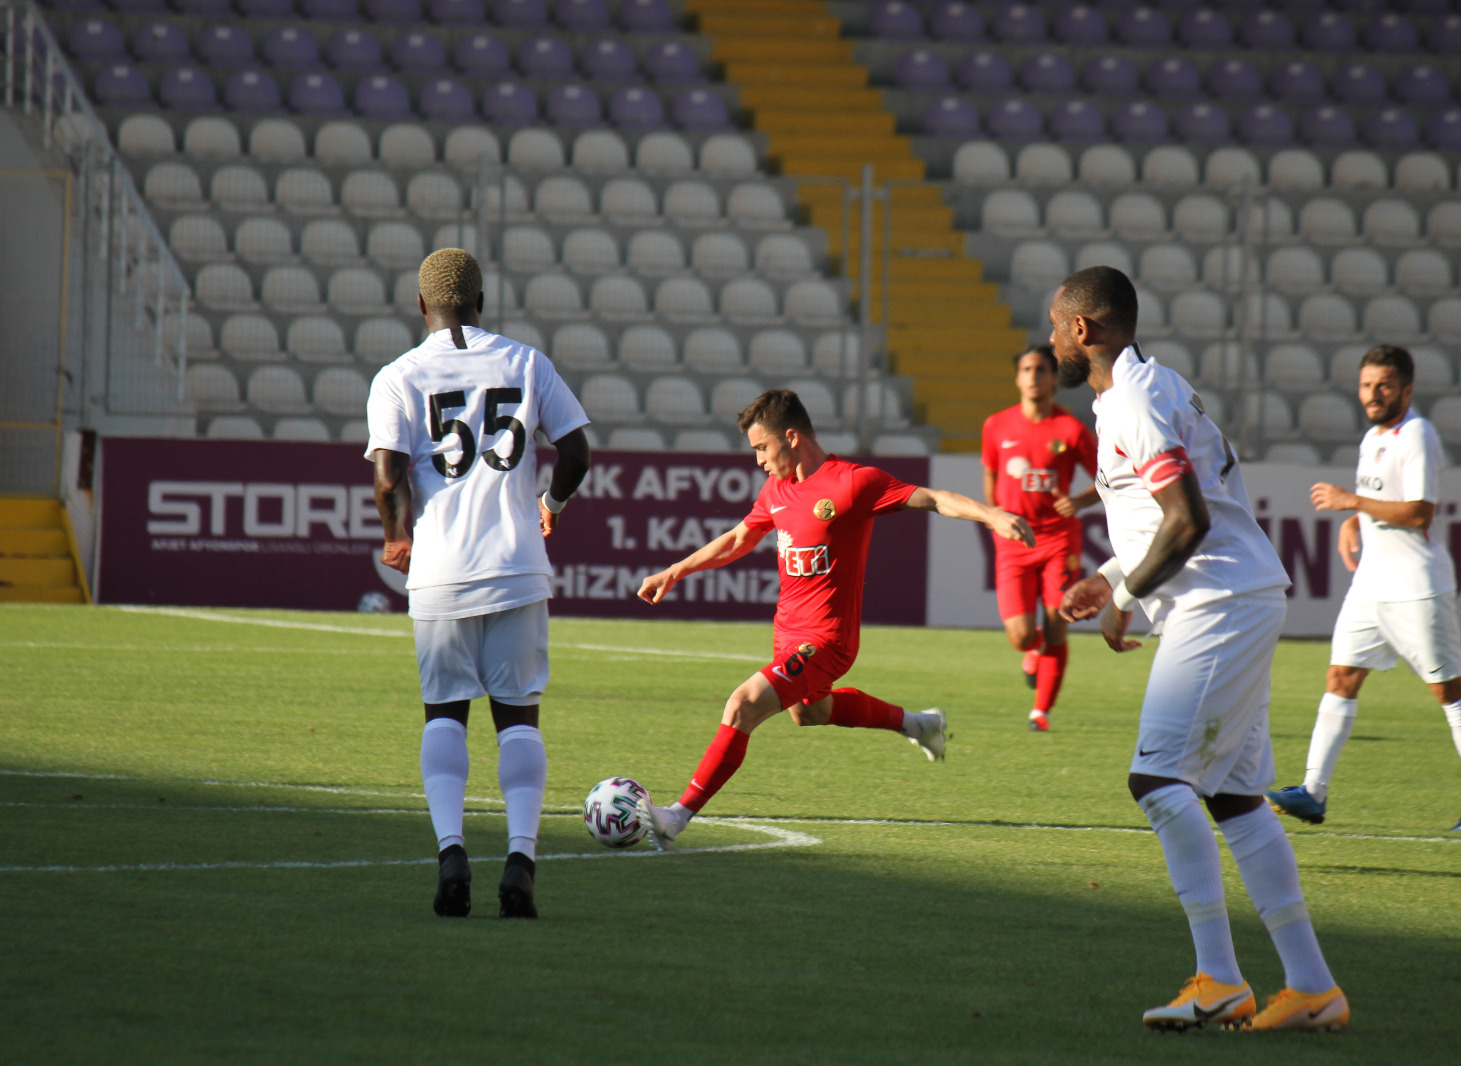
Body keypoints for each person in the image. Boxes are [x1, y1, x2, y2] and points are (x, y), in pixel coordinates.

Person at [1054, 266, 1347, 1032]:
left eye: (1056, 325)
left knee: (1157, 780)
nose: (1050, 338)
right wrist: (1114, 573)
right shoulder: (1157, 387)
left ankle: (1218, 977)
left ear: (1084, 329)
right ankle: (1312, 987)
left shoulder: (1135, 401)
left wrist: (1122, 602)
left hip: (1214, 603)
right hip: (1233, 596)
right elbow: (1189, 512)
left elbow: (1187, 521)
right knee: (1234, 800)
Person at [633, 388, 1035, 850]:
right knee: (811, 712)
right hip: (787, 634)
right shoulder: (776, 490)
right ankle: (919, 724)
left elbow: (934, 498)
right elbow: (739, 538)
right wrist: (676, 570)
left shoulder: (852, 483)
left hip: (826, 641)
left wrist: (992, 515)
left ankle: (676, 816)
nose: (758, 460)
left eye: (762, 448)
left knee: (742, 704)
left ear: (791, 437)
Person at [367, 248, 592, 919]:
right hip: (518, 566)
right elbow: (577, 451)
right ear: (482, 300)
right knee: (518, 718)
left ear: (420, 305)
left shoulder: (398, 376)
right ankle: (521, 861)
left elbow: (386, 476)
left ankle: (451, 853)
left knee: (445, 714)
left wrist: (396, 534)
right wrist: (550, 505)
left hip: (439, 574)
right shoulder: (527, 362)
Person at [1267, 345, 1461, 833]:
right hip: (1372, 584)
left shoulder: (1417, 434)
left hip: (1417, 587)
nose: (1372, 394)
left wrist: (1351, 501)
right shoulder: (1373, 437)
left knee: (1446, 689)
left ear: (1406, 390)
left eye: (1384, 386)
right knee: (1340, 678)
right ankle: (1313, 792)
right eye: (1366, 385)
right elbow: (1383, 500)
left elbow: (1418, 512)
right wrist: (1354, 519)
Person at [980, 343, 1099, 731]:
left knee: (1056, 625)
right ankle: (1030, 653)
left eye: (1041, 370)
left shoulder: (1070, 429)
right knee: (1019, 636)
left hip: (1058, 540)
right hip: (1013, 540)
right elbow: (991, 475)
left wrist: (1079, 501)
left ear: (1053, 378)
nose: (1033, 376)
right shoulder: (996, 425)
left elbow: (1109, 477)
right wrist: (994, 514)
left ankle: (1040, 713)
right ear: (1018, 378)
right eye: (1027, 369)